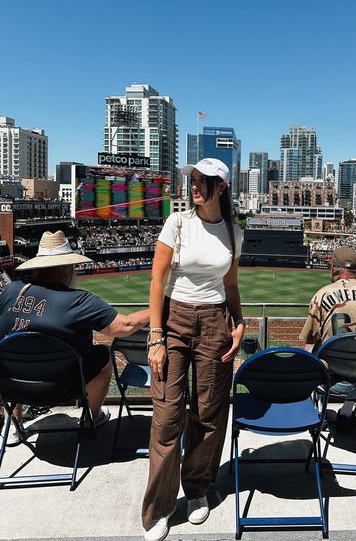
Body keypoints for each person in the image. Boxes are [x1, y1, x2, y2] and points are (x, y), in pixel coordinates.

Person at [142, 158, 245, 541]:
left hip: (216, 322)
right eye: (193, 180)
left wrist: (240, 323)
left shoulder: (235, 232)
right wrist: (155, 337)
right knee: (167, 416)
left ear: (222, 188)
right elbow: (157, 279)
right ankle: (160, 508)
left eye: (204, 181)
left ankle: (198, 489)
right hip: (174, 321)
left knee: (208, 412)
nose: (195, 186)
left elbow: (230, 286)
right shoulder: (178, 222)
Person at [0, 230, 150, 446]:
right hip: (62, 388)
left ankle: (11, 424)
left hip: (9, 386)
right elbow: (124, 326)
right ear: (65, 269)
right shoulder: (78, 300)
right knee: (103, 354)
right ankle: (91, 417)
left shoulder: (10, 291)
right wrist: (156, 309)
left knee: (14, 349)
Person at [299, 247, 356, 433]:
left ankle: (313, 415)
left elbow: (308, 339)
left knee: (312, 351)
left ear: (334, 267)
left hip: (334, 383)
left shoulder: (322, 295)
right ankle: (347, 411)